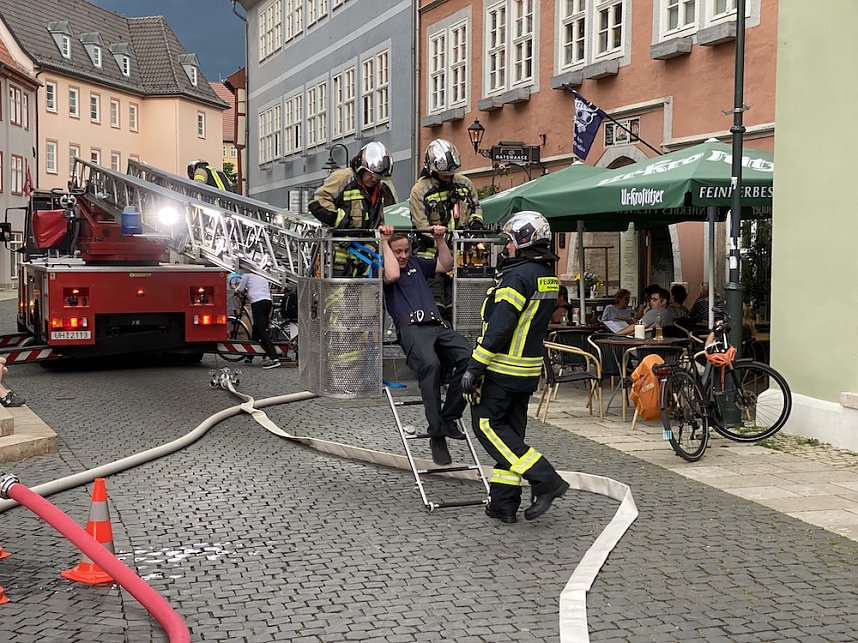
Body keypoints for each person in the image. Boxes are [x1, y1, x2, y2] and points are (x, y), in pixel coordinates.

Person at [460, 211, 570, 523]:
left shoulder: (517, 276)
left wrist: (475, 367)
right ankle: (503, 504)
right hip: (527, 371)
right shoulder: (545, 274)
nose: (505, 247)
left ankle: (546, 479)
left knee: (487, 428)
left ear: (523, 241)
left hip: (503, 369)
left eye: (509, 241)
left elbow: (500, 326)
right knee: (510, 436)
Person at [379, 224, 472, 467]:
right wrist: (383, 242)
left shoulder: (416, 264)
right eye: (397, 251)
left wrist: (439, 240)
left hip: (437, 325)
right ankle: (437, 434)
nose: (403, 255)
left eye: (406, 250)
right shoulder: (381, 267)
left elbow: (446, 265)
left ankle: (449, 416)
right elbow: (392, 276)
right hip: (411, 329)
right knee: (430, 365)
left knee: (470, 358)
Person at [409, 139, 484, 322]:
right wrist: (441, 238)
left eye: (451, 173)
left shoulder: (465, 184)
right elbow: (421, 226)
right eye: (444, 174)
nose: (448, 177)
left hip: (463, 259)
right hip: (431, 259)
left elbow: (476, 208)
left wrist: (476, 224)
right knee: (436, 309)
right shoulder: (420, 190)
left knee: (459, 308)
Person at [309, 141, 398, 276]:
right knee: (335, 293)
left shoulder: (385, 188)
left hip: (367, 250)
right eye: (370, 174)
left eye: (377, 177)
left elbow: (391, 215)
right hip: (337, 249)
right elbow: (317, 201)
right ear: (361, 167)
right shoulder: (343, 178)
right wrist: (341, 222)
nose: (373, 179)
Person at [235, 272, 281, 369]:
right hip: (267, 302)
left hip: (258, 302)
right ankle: (249, 357)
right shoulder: (262, 276)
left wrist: (236, 290)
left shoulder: (246, 275)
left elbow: (241, 288)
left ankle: (274, 358)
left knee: (261, 329)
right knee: (256, 328)